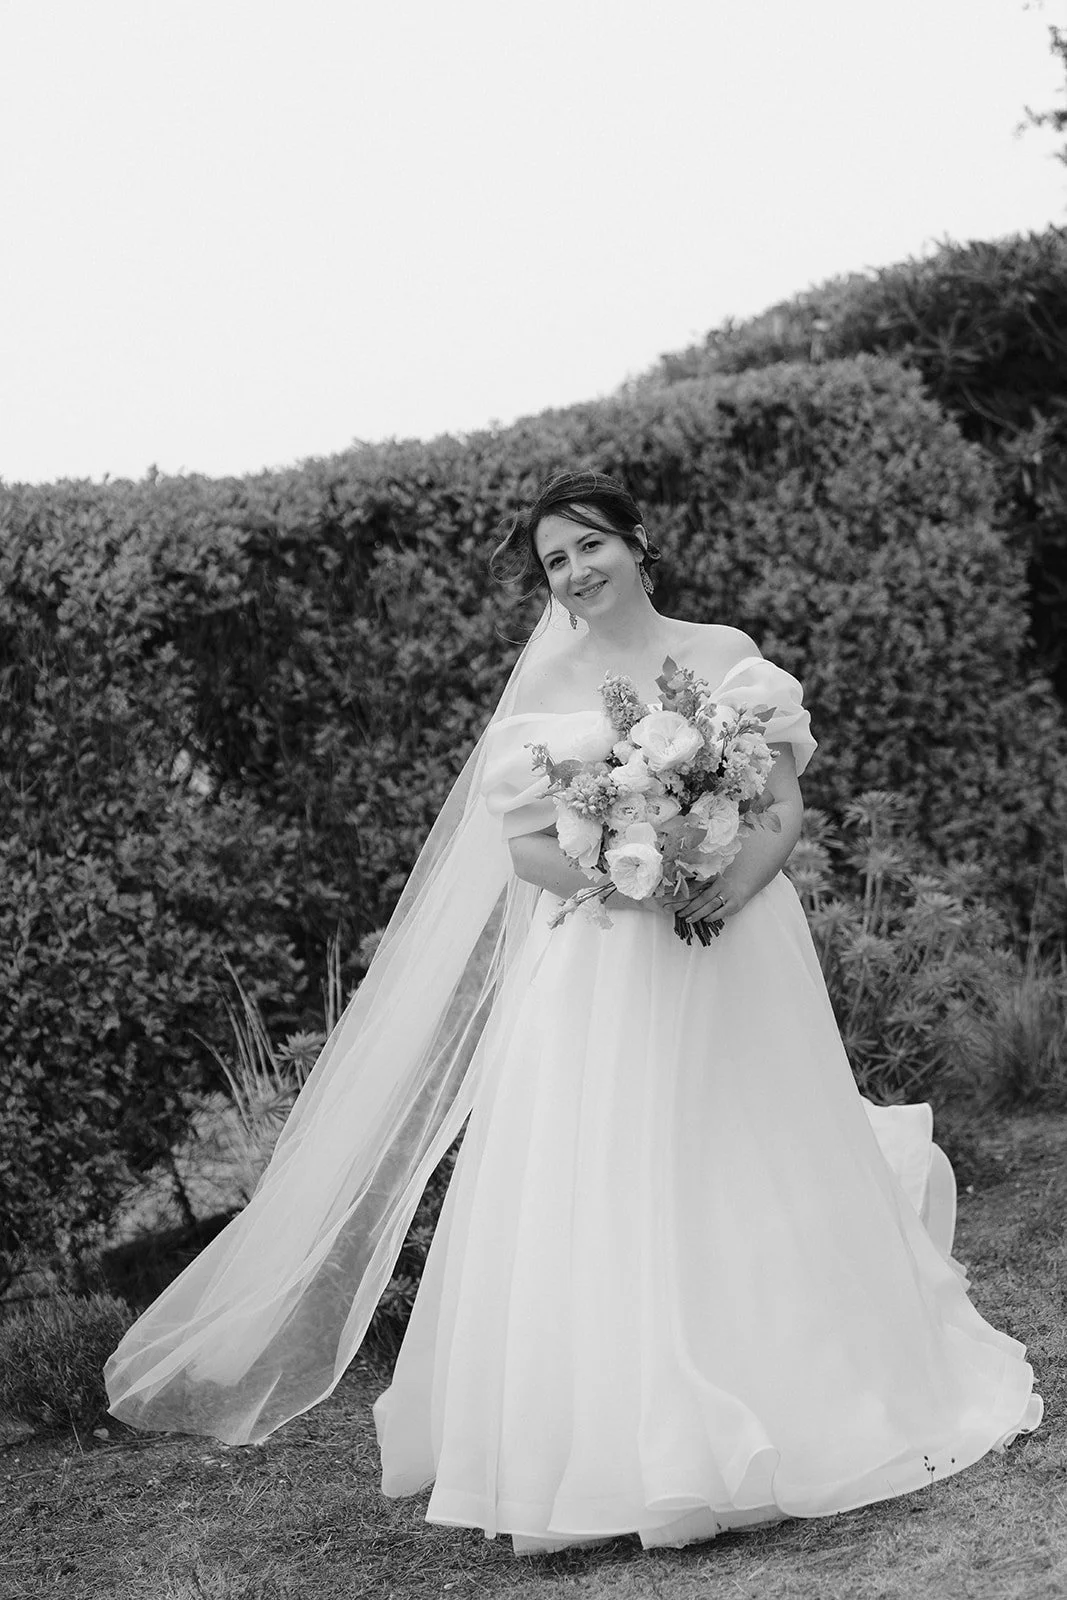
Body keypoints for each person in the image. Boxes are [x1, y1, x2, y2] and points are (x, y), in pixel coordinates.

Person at [106, 470, 1042, 1555]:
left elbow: (780, 804)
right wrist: (626, 878)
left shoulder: (724, 651)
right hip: (611, 961)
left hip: (741, 944)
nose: (576, 573)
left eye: (589, 546)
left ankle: (816, 1388)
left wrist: (732, 880)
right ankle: (640, 1439)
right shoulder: (544, 679)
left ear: (637, 543)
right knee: (625, 1175)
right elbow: (524, 849)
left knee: (758, 1145)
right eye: (554, 562)